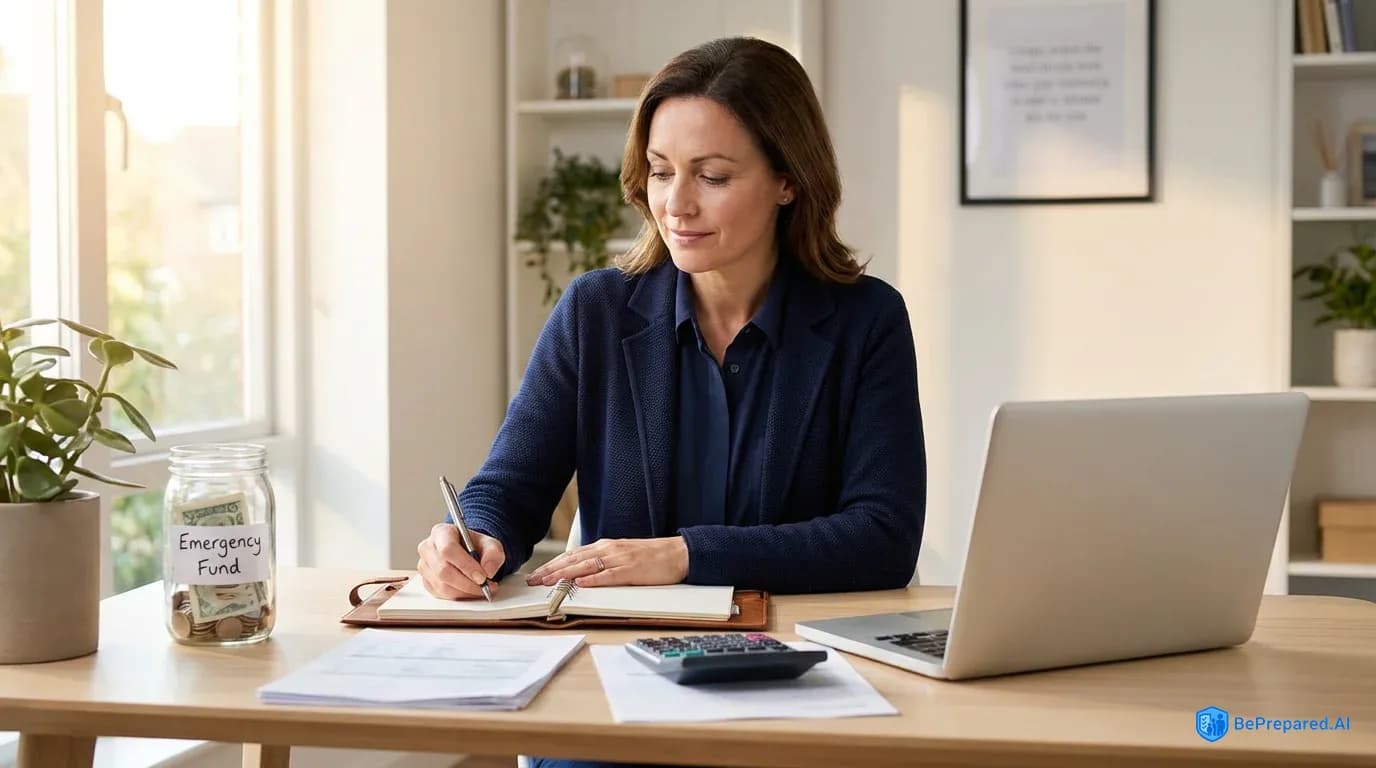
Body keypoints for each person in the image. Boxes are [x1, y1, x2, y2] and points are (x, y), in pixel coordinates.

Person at [418, 38, 923, 765]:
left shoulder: (865, 321)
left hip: (791, 693)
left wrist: (687, 556)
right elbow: (511, 486)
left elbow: (883, 537)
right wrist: (469, 538)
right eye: (660, 172)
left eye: (711, 176)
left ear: (788, 179)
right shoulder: (596, 310)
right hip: (618, 687)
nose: (675, 204)